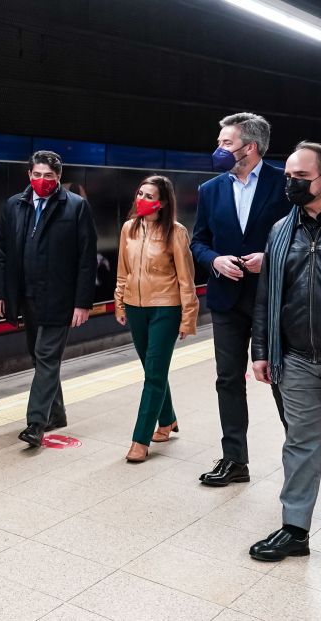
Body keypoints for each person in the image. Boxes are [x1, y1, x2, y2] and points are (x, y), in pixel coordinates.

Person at [190, 112, 290, 486]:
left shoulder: (285, 183)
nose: (218, 148)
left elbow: (304, 235)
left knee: (281, 379)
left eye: (225, 143)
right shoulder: (210, 189)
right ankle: (235, 460)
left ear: (250, 147)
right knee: (228, 379)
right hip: (227, 300)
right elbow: (197, 241)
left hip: (275, 299)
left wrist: (271, 258)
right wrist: (214, 260)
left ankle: (296, 458)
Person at [250, 141, 321, 561]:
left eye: (301, 177)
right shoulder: (282, 230)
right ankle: (295, 530)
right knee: (299, 445)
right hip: (298, 357)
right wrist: (262, 349)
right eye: (288, 176)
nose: (292, 184)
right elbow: (268, 293)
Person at [0, 150, 97, 447]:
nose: (41, 180)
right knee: (40, 358)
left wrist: (82, 302)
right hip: (27, 296)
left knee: (47, 357)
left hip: (60, 298)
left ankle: (36, 423)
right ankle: (57, 413)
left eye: (48, 176)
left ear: (58, 177)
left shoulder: (75, 207)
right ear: (29, 175)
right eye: (36, 175)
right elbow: (1, 253)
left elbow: (86, 259)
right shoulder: (14, 205)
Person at [114, 176, 198, 462]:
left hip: (166, 308)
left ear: (161, 203)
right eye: (140, 193)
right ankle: (168, 419)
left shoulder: (176, 232)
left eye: (149, 196)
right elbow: (122, 270)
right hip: (134, 307)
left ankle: (140, 440)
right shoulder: (129, 229)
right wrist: (119, 302)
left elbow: (187, 278)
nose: (141, 199)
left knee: (153, 374)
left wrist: (188, 316)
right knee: (153, 369)